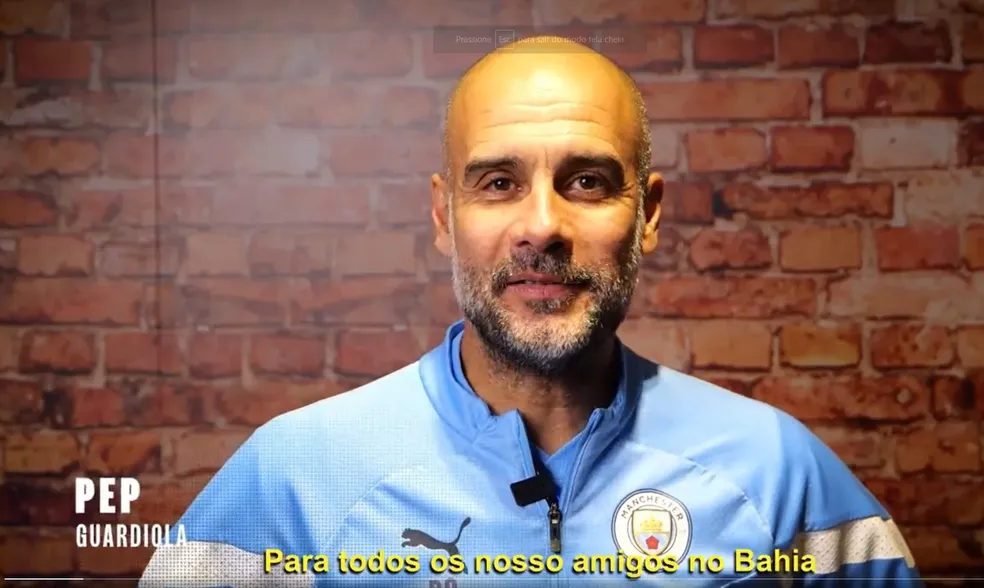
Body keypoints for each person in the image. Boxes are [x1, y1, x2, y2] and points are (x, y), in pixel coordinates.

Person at [139, 37, 921, 587]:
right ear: (444, 216)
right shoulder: (294, 478)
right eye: (498, 183)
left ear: (647, 215)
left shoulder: (777, 474)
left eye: (586, 182)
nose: (542, 227)